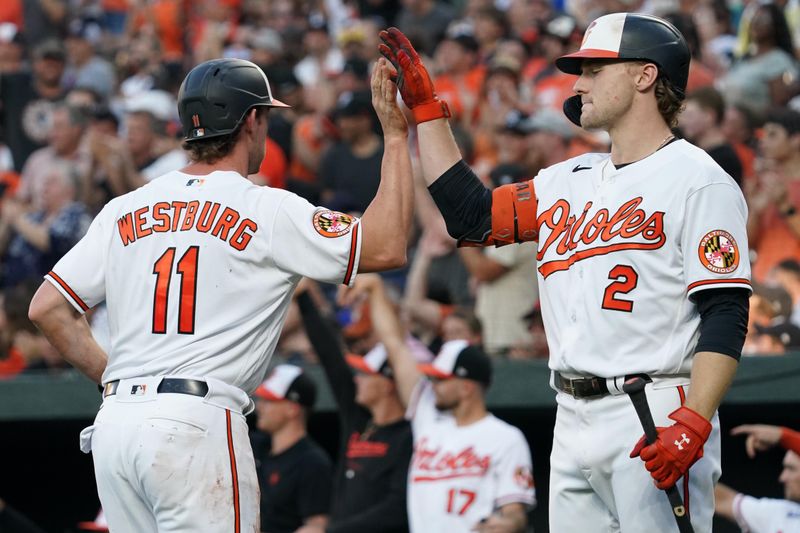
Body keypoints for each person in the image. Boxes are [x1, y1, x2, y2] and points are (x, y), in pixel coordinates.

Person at [379, 11, 751, 532]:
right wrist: (427, 111)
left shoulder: (699, 180)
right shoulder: (567, 179)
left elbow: (726, 310)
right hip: (570, 411)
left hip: (653, 406)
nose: (578, 83)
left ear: (645, 76)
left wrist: (693, 421)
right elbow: (471, 216)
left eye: (596, 69)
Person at [27, 56, 414, 532]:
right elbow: (387, 245)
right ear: (252, 120)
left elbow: (47, 307)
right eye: (266, 116)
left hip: (116, 427)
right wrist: (396, 138)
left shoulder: (127, 206)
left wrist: (119, 380)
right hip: (195, 422)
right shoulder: (265, 206)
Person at [341, 273, 536, 533]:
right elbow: (395, 345)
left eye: (441, 379)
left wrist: (507, 524)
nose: (433, 385)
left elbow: (515, 512)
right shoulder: (427, 414)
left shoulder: (506, 438)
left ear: (467, 387)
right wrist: (376, 291)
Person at [295, 280, 412, 533]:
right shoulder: (358, 419)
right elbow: (331, 360)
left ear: (388, 384)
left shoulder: (410, 435)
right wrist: (304, 298)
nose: (357, 379)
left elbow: (397, 508)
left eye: (367, 374)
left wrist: (332, 531)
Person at [251, 365, 332, 533]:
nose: (260, 407)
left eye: (269, 401)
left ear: (292, 409)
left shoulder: (312, 462)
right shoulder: (255, 445)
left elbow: (317, 524)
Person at [715, 424, 800, 532]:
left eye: (791, 469)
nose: (782, 478)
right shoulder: (779, 513)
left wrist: (783, 436)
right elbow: (724, 500)